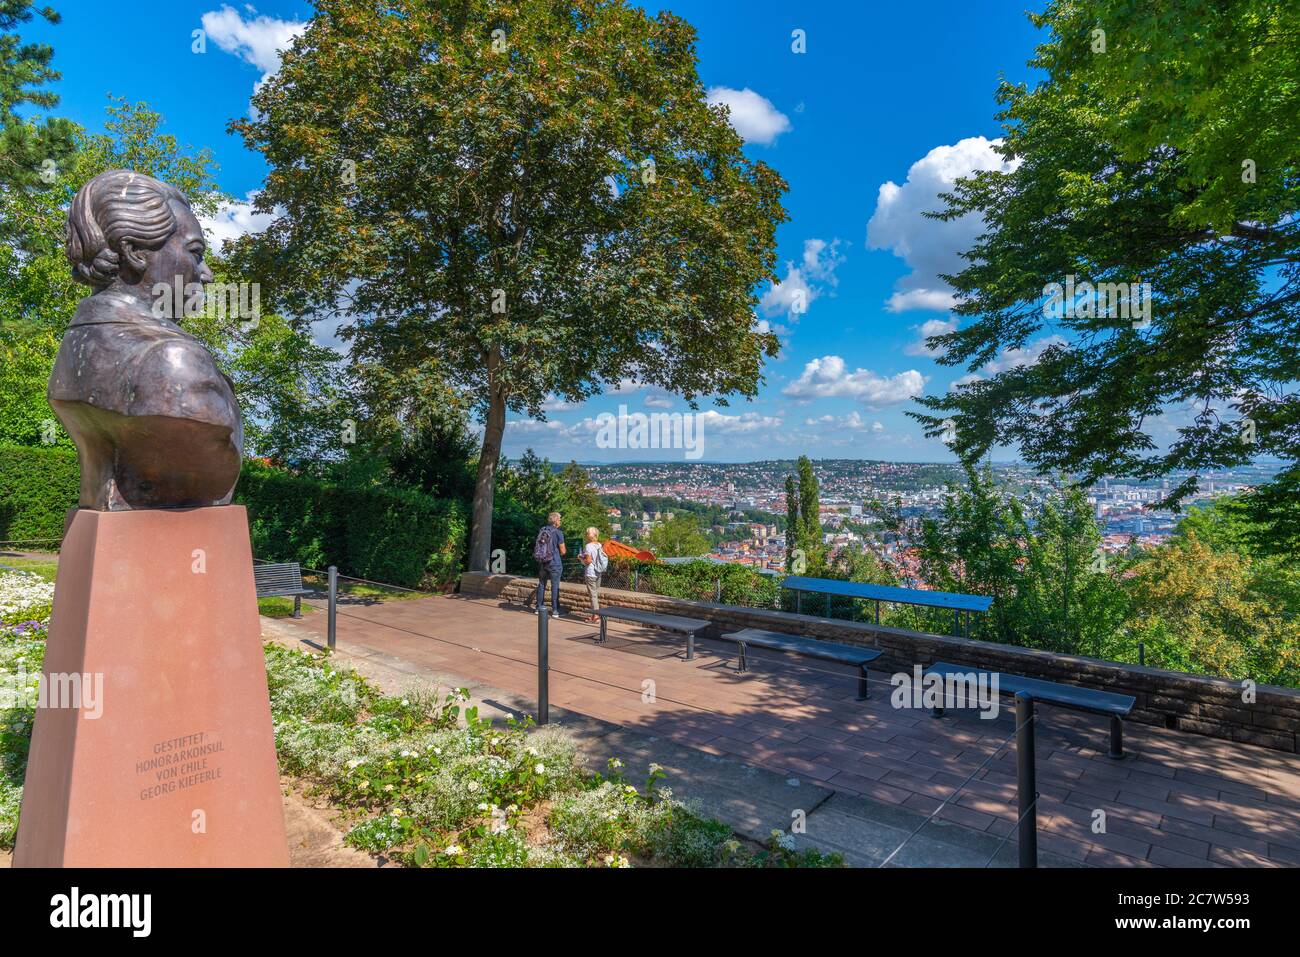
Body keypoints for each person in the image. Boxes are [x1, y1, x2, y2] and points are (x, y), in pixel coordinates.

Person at [533, 512, 566, 617]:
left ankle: (538, 608)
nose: (560, 521)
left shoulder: (542, 530)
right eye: (560, 519)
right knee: (554, 586)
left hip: (543, 562)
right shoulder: (558, 532)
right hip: (554, 563)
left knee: (542, 584)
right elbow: (563, 551)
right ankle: (555, 610)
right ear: (556, 521)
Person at [579, 527, 608, 623]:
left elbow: (588, 561)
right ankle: (594, 615)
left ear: (593, 535)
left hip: (591, 573)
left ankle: (595, 616)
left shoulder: (588, 546)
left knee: (593, 595)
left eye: (588, 533)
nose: (586, 534)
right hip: (598, 572)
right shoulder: (599, 545)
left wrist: (580, 559)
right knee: (595, 594)